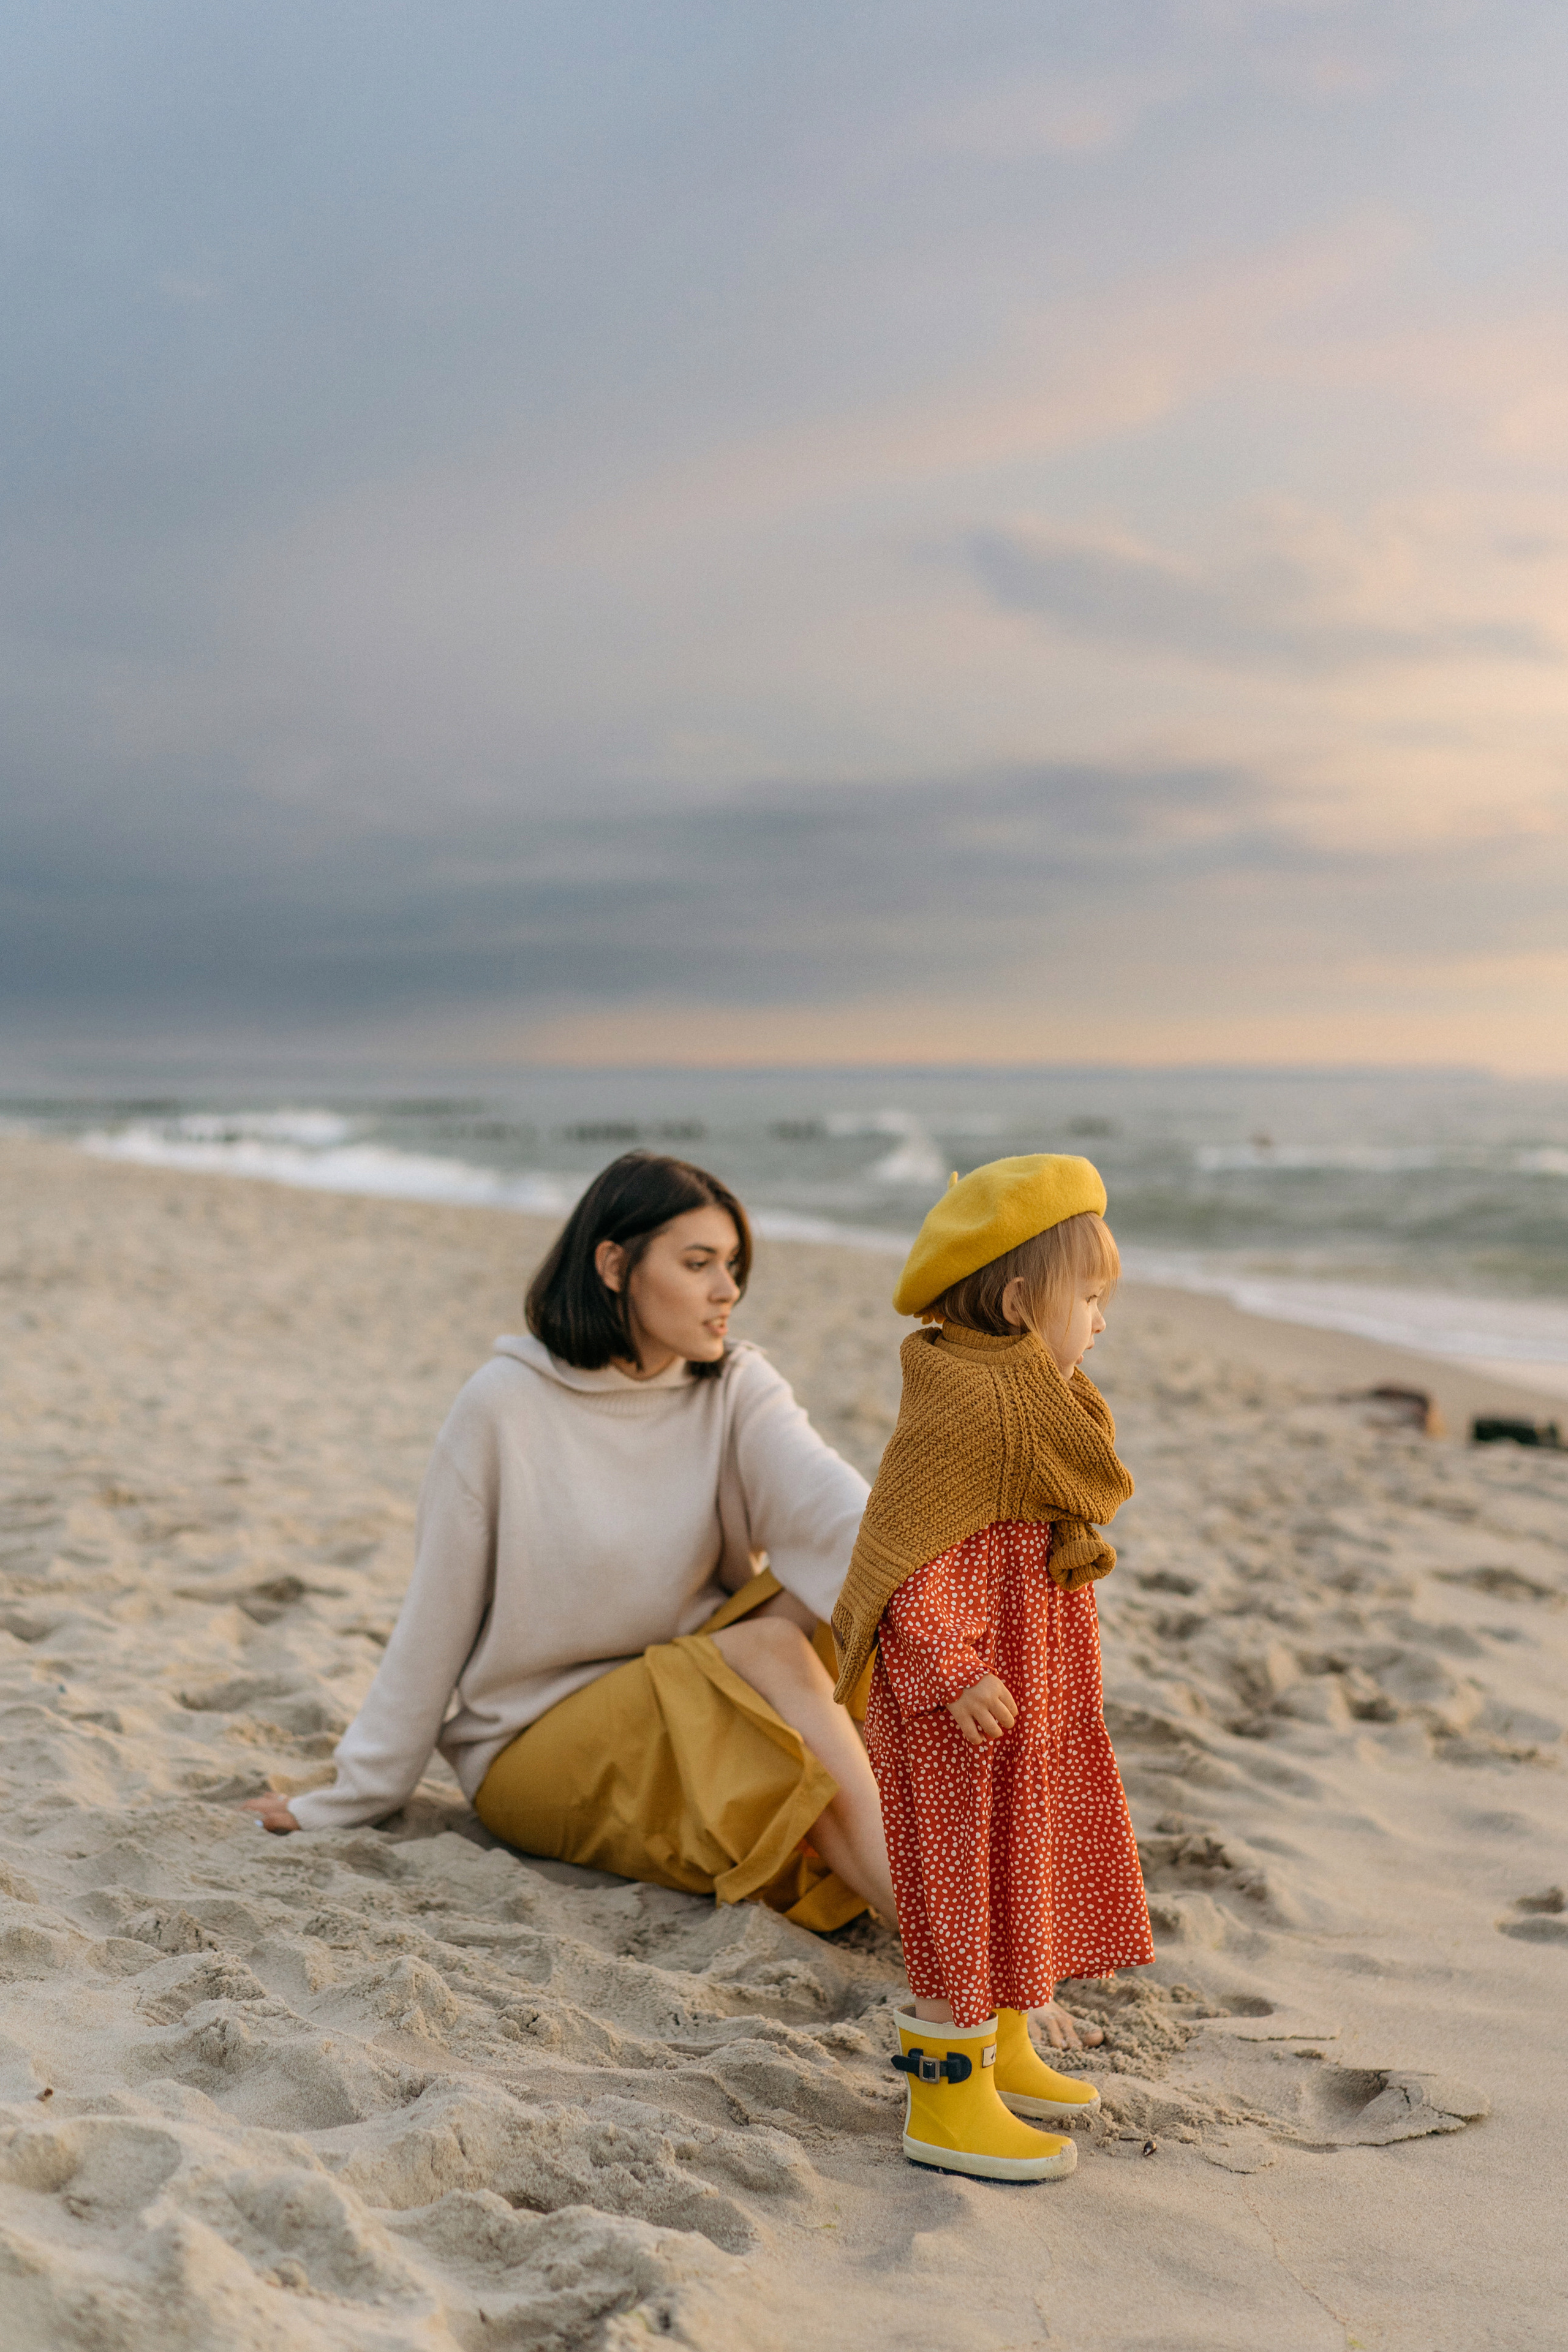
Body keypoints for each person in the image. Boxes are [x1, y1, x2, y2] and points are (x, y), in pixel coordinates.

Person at [244, 1151, 897, 1931]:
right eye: (698, 1264)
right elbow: (433, 1619)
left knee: (855, 1598)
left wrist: (953, 1629)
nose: (728, 1291)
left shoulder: (733, 1385)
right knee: (771, 1652)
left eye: (732, 1265)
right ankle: (949, 1952)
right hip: (534, 1741)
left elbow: (836, 1512)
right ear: (614, 1264)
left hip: (687, 1682)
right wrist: (356, 1794)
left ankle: (925, 1874)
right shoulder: (503, 1406)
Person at [831, 1155, 1154, 2182]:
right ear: (1020, 1303)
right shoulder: (972, 1406)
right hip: (959, 1703)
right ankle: (946, 2100)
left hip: (1022, 1694)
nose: (1102, 1321)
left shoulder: (1036, 1401)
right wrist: (949, 1668)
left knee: (1020, 1865)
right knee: (960, 1883)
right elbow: (910, 1558)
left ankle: (1007, 2041)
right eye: (1089, 1298)